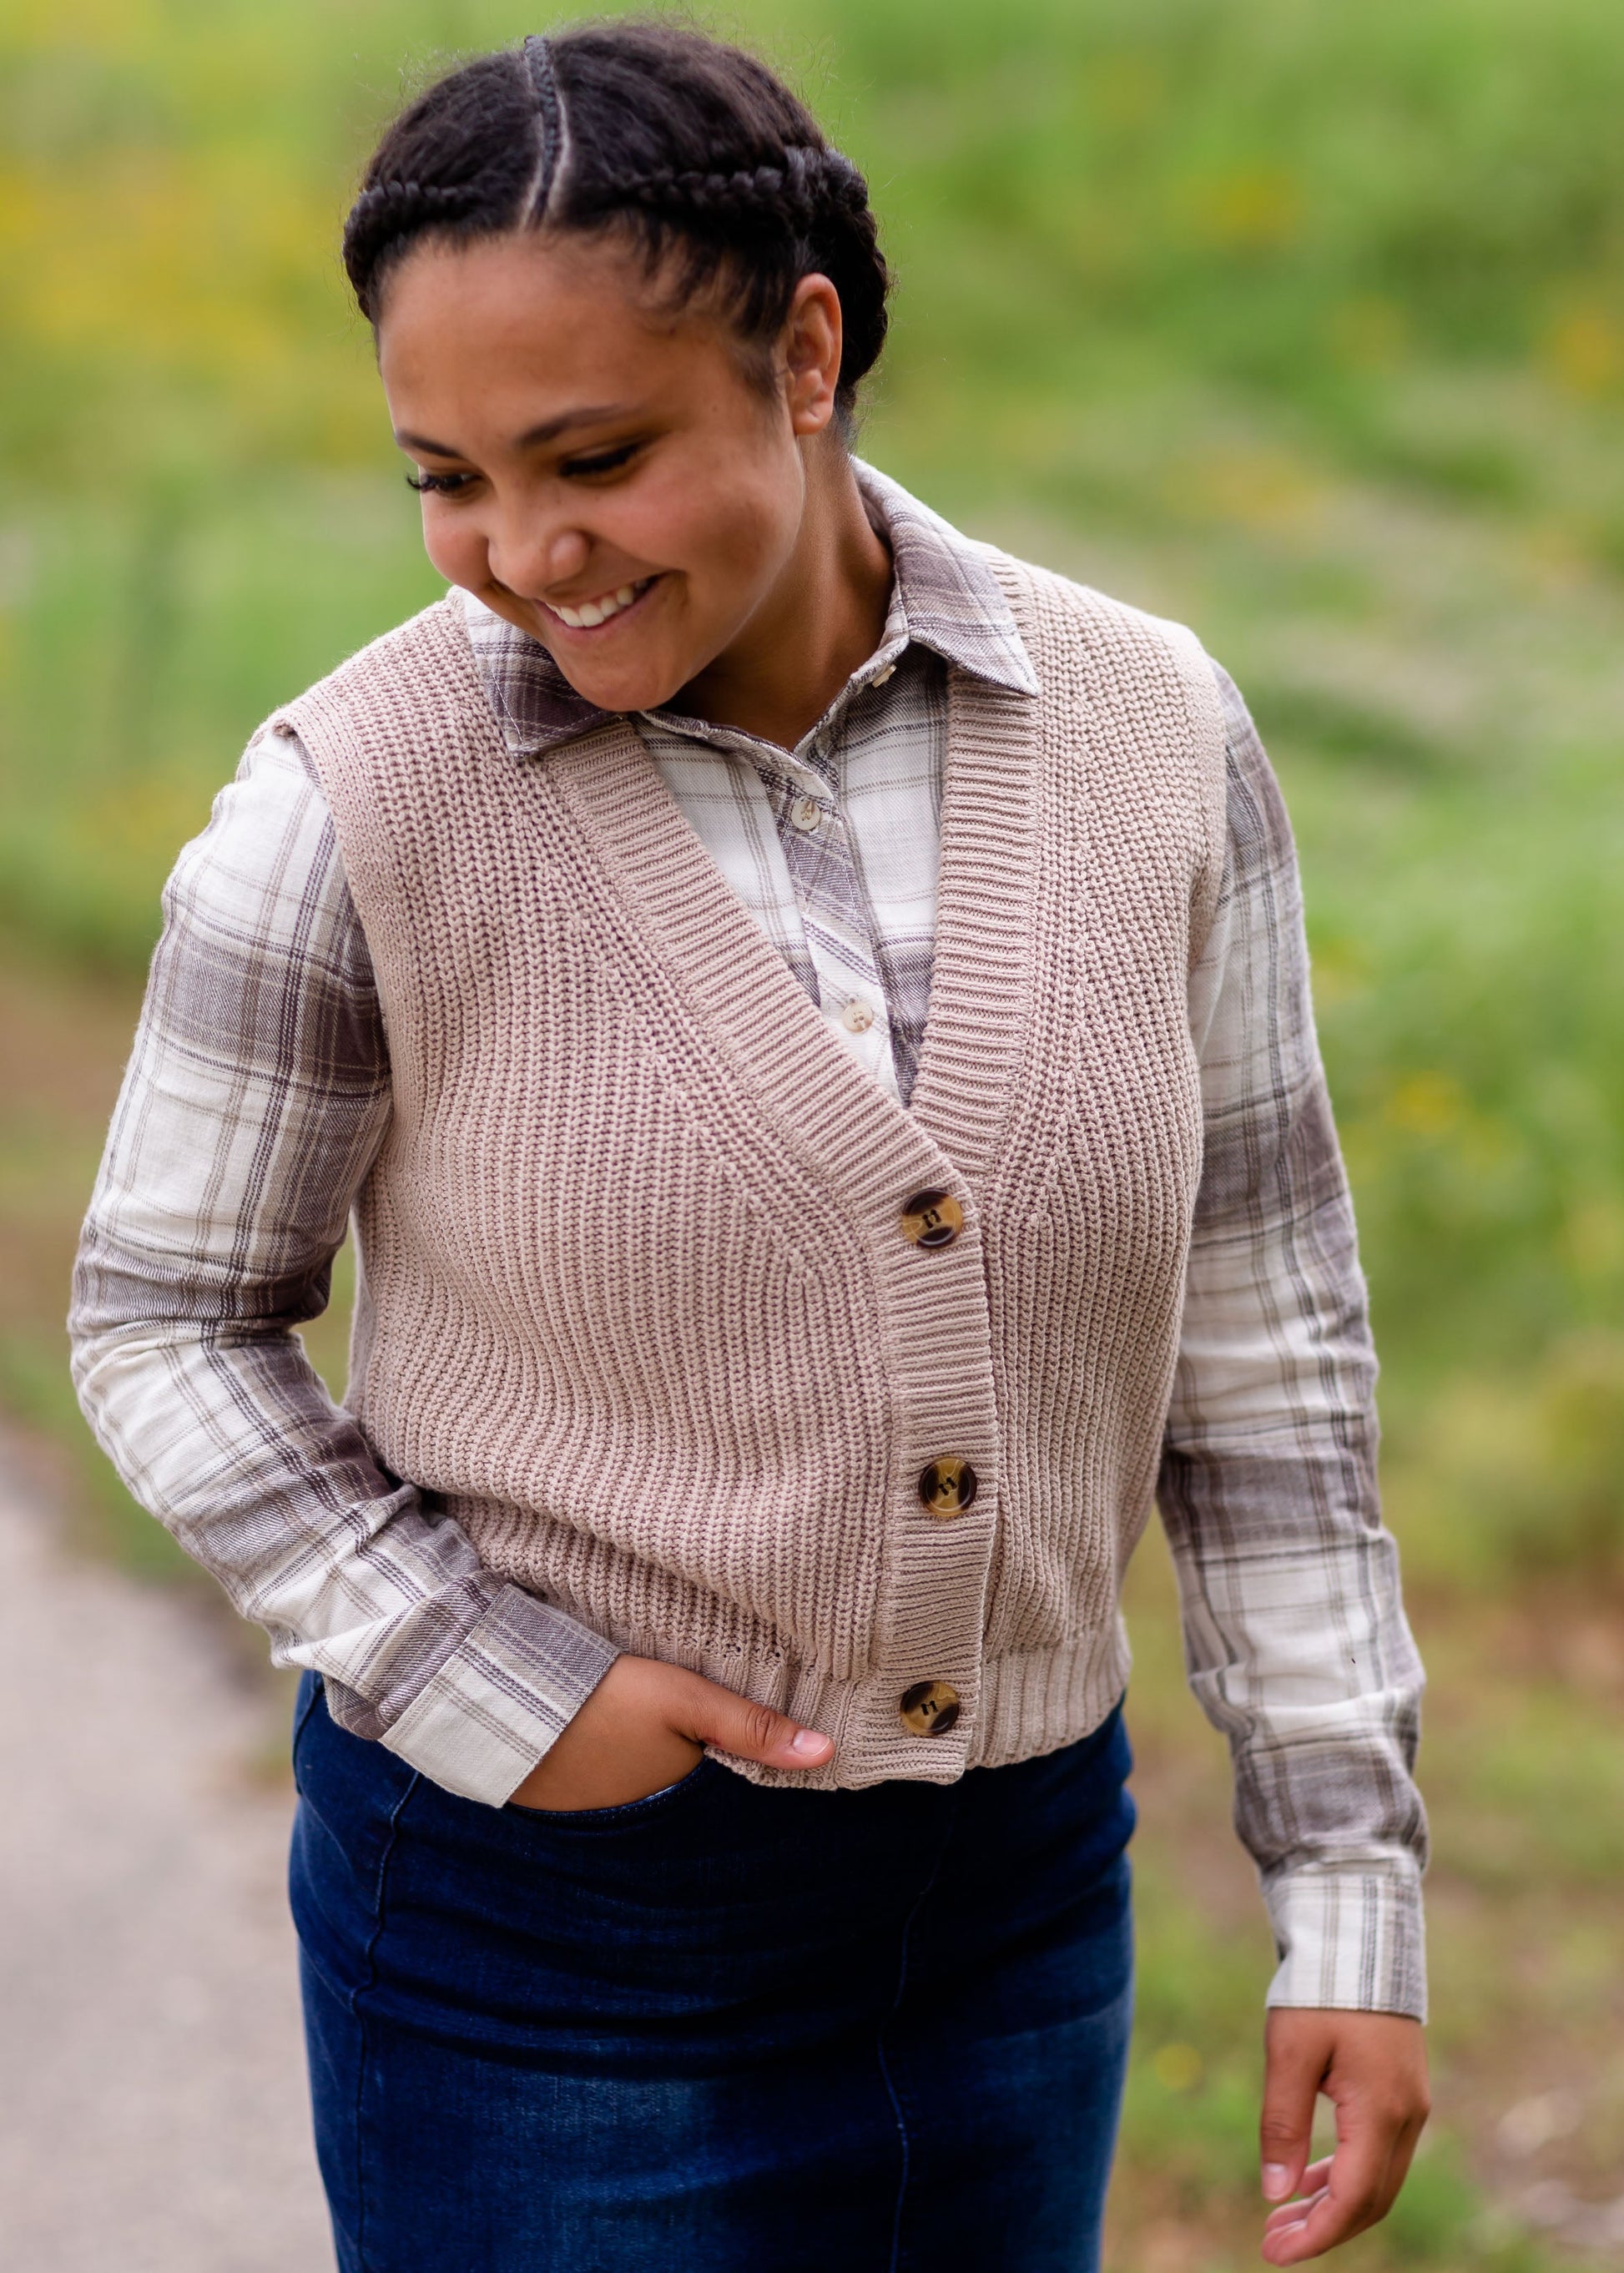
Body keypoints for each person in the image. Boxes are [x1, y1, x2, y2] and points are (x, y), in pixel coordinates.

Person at [69, 21, 1430, 2271]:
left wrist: (1347, 1898)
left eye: (590, 454)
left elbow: (1263, 1350)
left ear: (804, 353)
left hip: (1015, 1918)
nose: (521, 550)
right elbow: (160, 1317)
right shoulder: (349, 807)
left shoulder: (1150, 733)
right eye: (447, 476)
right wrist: (503, 1682)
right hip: (542, 1944)